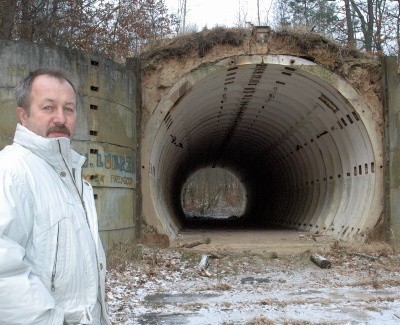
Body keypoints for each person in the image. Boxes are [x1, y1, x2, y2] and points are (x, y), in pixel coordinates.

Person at [0, 68, 111, 324]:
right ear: (23, 115)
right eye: (48, 108)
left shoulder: (73, 179)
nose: (60, 118)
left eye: (69, 109)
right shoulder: (11, 172)